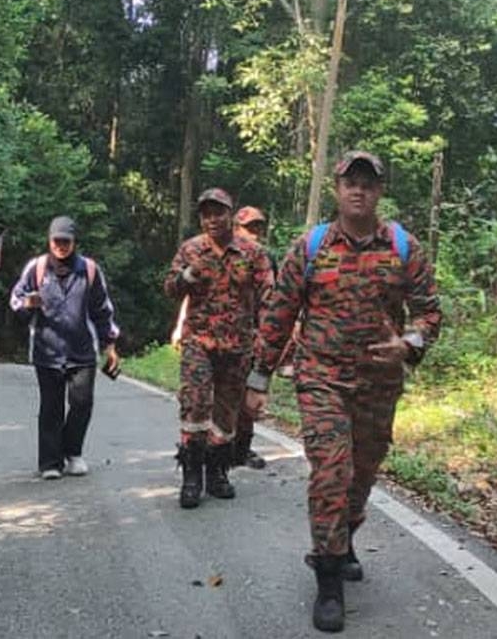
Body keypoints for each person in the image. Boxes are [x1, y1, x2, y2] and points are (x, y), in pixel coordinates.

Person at [244, 151, 442, 632]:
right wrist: (258, 379)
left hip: (379, 384)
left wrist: (408, 343)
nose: (359, 190)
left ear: (380, 191)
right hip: (321, 379)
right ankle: (328, 577)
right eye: (350, 182)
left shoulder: (402, 246)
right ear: (337, 188)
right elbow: (278, 316)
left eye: (368, 184)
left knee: (362, 473)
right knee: (332, 471)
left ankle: (346, 534)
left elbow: (430, 313)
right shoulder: (309, 247)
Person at [164, 189, 274, 509]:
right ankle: (191, 476)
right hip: (199, 342)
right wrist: (187, 275)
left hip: (238, 346)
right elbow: (170, 288)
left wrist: (267, 342)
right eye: (206, 213)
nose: (213, 219)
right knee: (195, 405)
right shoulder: (191, 249)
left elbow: (271, 298)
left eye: (219, 212)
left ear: (230, 214)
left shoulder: (252, 253)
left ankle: (216, 472)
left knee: (226, 414)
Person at [9, 216, 120, 480]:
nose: (61, 246)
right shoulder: (36, 268)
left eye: (66, 241)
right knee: (51, 406)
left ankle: (73, 453)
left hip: (82, 350)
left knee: (82, 403)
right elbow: (15, 300)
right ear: (49, 241)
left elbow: (102, 309)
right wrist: (28, 303)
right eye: (56, 241)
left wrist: (110, 345)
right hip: (46, 350)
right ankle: (49, 462)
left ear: (74, 242)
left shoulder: (89, 270)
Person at [232, 205, 275, 470]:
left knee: (251, 396)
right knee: (221, 398)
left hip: (256, 336)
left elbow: (278, 299)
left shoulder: (266, 258)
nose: (255, 234)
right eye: (250, 228)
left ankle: (242, 449)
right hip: (223, 335)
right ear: (237, 228)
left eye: (259, 228)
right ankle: (217, 449)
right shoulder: (223, 253)